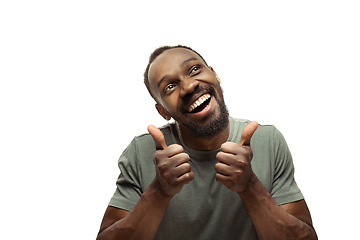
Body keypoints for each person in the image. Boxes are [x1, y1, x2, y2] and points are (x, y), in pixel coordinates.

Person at [96, 45, 318, 240]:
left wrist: (250, 186)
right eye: (170, 87)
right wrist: (159, 192)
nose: (189, 87)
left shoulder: (268, 141)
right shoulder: (141, 152)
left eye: (194, 70)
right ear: (163, 111)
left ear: (215, 74)